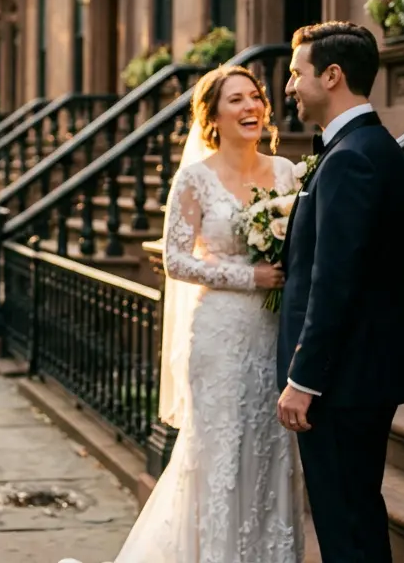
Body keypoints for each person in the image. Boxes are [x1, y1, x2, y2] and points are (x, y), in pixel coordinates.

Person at [111, 65, 306, 563]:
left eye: (255, 97)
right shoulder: (195, 178)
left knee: (271, 447)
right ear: (213, 116)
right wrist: (249, 277)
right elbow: (175, 261)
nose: (251, 107)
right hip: (220, 335)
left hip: (273, 331)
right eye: (236, 100)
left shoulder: (286, 172)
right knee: (221, 452)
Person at [278, 21, 404, 562]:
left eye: (297, 73)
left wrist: (304, 379)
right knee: (356, 520)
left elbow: (335, 282)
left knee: (346, 531)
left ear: (332, 75)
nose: (289, 86)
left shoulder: (352, 157)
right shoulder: (370, 146)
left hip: (341, 383)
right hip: (359, 375)